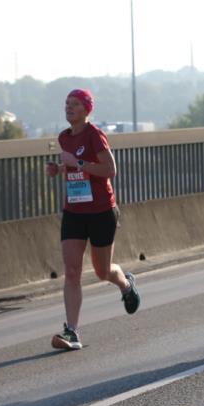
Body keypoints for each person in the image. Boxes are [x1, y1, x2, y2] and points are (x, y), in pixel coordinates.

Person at [44, 89, 141, 350]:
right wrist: (59, 169)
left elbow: (109, 170)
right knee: (72, 271)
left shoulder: (95, 135)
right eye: (66, 103)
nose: (69, 107)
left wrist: (76, 161)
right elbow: (76, 167)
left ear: (87, 109)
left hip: (101, 211)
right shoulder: (64, 137)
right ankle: (72, 331)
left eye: (75, 104)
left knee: (102, 271)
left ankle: (125, 284)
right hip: (74, 211)